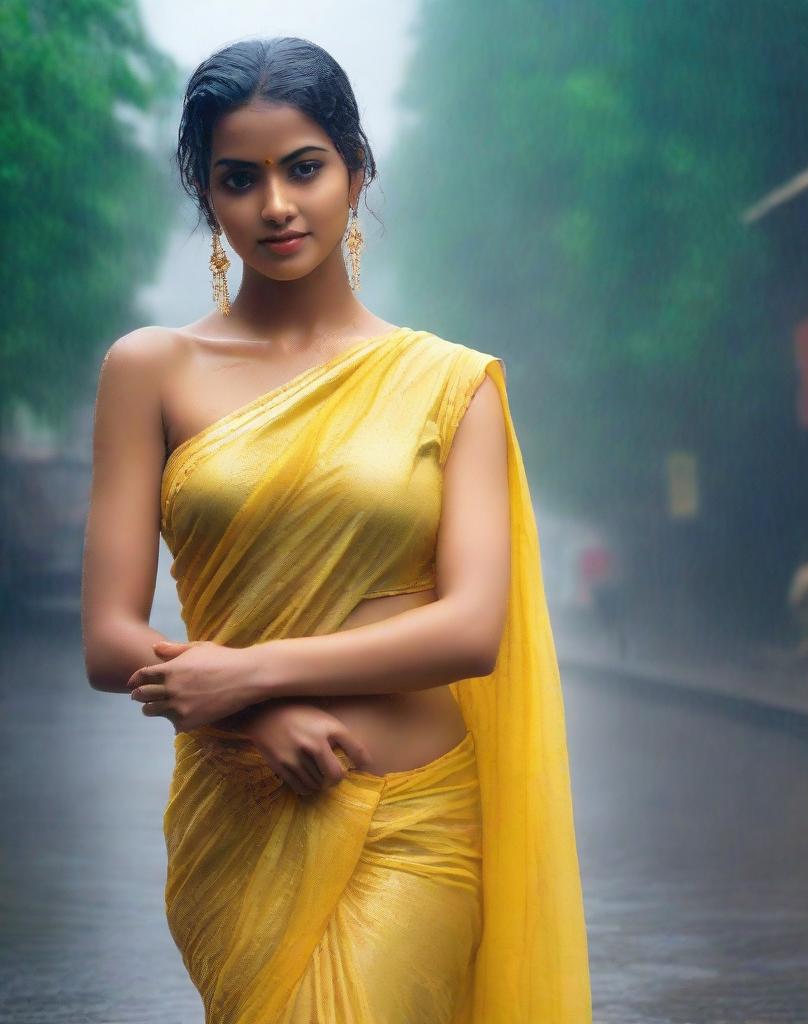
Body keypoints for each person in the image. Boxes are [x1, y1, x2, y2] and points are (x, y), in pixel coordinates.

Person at [80, 37, 591, 1024]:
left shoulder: (451, 384)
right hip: (237, 814)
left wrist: (255, 673)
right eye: (240, 178)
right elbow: (109, 638)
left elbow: (471, 628)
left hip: (416, 822)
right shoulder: (151, 370)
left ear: (355, 172)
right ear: (210, 199)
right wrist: (252, 716)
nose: (276, 203)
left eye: (303, 167)